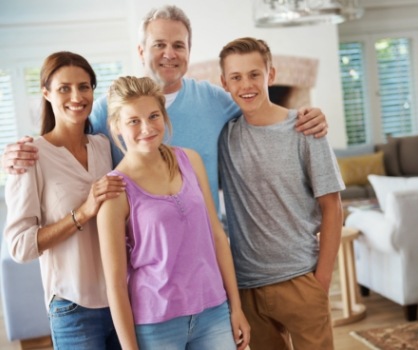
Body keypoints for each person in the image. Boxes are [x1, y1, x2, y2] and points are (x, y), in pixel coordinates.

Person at [1, 5, 329, 212]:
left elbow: (260, 112)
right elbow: (63, 144)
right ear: (141, 50)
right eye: (159, 44)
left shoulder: (215, 101)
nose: (169, 54)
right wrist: (13, 156)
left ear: (189, 51)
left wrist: (301, 116)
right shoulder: (108, 109)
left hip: (206, 250)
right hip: (142, 260)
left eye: (178, 45)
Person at [96, 75, 250, 350]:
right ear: (116, 126)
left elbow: (216, 235)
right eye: (133, 121)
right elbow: (116, 285)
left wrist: (235, 307)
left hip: (213, 310)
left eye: (154, 115)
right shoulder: (114, 191)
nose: (147, 127)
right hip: (156, 324)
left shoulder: (190, 160)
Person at [218, 37, 345, 350]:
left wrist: (322, 282)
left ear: (270, 76)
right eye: (236, 77)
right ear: (224, 83)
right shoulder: (224, 136)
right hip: (247, 288)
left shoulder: (305, 130)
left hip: (301, 280)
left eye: (254, 74)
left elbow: (333, 207)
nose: (246, 85)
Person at [3, 51, 125, 349]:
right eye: (64, 88)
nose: (76, 96)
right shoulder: (32, 155)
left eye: (84, 86)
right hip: (73, 309)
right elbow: (20, 247)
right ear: (45, 93)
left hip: (121, 301)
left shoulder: (104, 146)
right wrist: (82, 213)